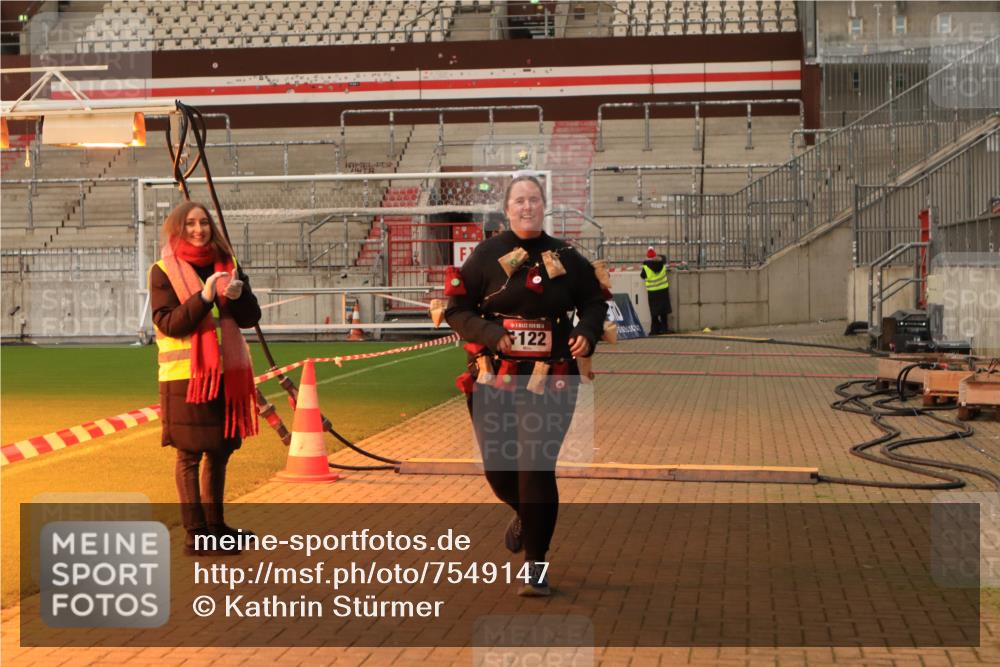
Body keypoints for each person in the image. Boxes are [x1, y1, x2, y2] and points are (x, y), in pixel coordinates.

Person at [445, 174, 608, 596]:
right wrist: (487, 331)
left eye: (534, 199)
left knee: (535, 467)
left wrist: (588, 332)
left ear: (544, 204)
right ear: (507, 208)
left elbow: (594, 300)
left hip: (552, 380)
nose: (527, 207)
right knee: (500, 473)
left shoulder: (566, 256)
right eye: (519, 200)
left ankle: (536, 565)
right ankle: (527, 515)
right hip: (493, 377)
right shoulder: (485, 255)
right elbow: (456, 309)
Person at [150, 201, 261, 556]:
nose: (198, 230)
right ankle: (196, 533)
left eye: (204, 223)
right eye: (191, 224)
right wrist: (205, 297)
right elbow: (168, 322)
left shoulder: (228, 264)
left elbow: (249, 318)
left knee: (220, 451)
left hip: (227, 375)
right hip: (186, 378)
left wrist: (238, 295)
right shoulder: (163, 270)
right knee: (189, 455)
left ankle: (217, 527)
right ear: (177, 229)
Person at [641, 246, 671, 335]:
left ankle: (654, 330)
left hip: (652, 292)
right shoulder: (662, 264)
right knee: (663, 311)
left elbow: (642, 276)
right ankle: (664, 329)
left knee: (654, 312)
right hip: (663, 291)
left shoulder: (646, 267)